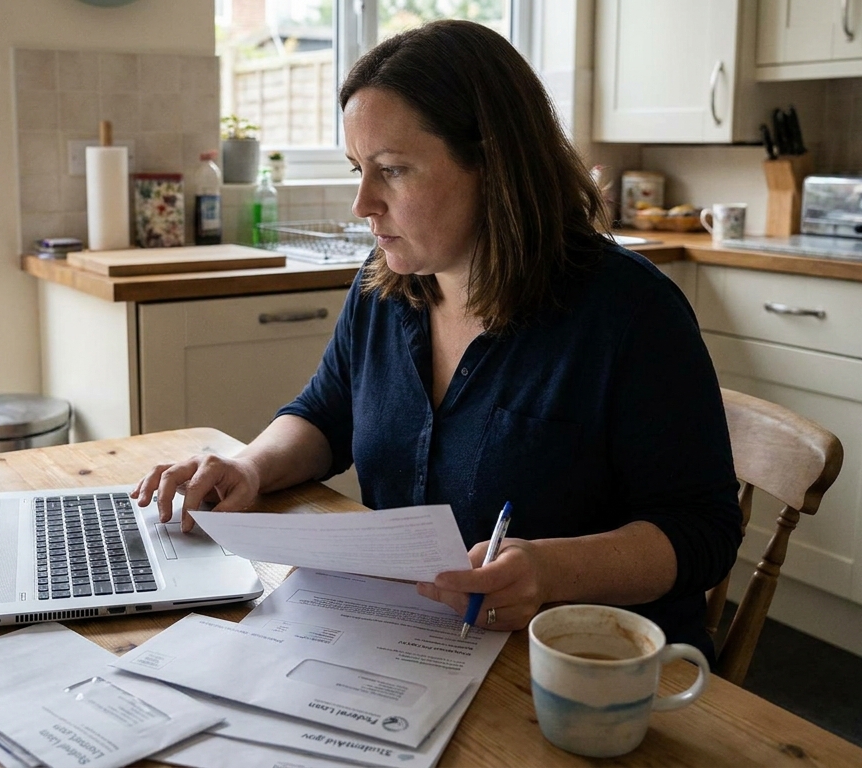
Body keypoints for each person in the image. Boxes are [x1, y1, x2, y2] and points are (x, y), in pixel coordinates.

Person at [132, 20, 742, 659]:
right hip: (417, 643)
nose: (363, 203)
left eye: (392, 171)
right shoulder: (384, 288)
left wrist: (554, 570)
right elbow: (326, 413)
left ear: (494, 166)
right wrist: (251, 465)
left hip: (588, 668)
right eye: (357, 170)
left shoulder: (630, 313)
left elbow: (703, 530)